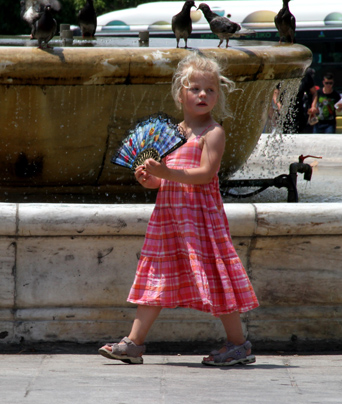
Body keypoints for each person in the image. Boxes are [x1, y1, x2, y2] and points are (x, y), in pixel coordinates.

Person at [98, 53, 259, 366]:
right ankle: (133, 343)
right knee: (156, 275)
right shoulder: (170, 134)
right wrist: (150, 179)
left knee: (214, 275)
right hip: (169, 219)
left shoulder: (213, 133)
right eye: (195, 88)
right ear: (180, 94)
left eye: (210, 90)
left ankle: (238, 344)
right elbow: (163, 182)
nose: (203, 95)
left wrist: (167, 173)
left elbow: (205, 174)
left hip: (200, 219)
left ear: (218, 95)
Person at [289, 67, 318, 134]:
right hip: (287, 113)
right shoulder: (284, 74)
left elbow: (314, 93)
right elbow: (276, 94)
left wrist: (313, 106)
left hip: (303, 112)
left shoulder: (305, 75)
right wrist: (279, 106)